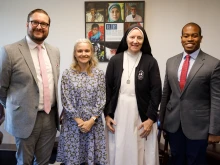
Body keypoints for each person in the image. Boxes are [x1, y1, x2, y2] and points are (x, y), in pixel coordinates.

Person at [0, 9, 60, 164]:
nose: (39, 27)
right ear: (27, 24)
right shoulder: (10, 51)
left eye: (44, 24)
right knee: (24, 161)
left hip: (49, 117)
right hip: (24, 118)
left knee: (43, 161)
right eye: (35, 22)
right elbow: (1, 87)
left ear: (48, 27)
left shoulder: (54, 51)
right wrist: (16, 107)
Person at [159, 22, 220, 165]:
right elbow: (165, 94)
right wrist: (162, 123)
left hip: (199, 127)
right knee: (176, 160)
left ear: (200, 38)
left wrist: (215, 130)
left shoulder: (213, 64)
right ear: (181, 38)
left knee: (196, 162)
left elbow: (217, 99)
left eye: (194, 35)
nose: (190, 39)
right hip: (174, 125)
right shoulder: (171, 62)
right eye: (186, 36)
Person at [104, 24, 161, 165]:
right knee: (119, 144)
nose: (135, 41)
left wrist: (151, 118)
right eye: (132, 37)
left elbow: (156, 91)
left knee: (140, 146)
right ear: (126, 39)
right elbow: (107, 89)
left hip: (142, 113)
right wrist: (107, 114)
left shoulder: (150, 61)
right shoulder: (115, 60)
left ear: (144, 40)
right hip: (119, 110)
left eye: (139, 38)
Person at [56, 39, 107, 165]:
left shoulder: (99, 74)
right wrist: (79, 122)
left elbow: (102, 99)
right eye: (80, 51)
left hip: (93, 124)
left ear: (92, 52)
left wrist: (91, 121)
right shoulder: (67, 74)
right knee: (73, 159)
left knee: (92, 160)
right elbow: (66, 99)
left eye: (86, 51)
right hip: (73, 124)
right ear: (75, 53)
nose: (83, 54)